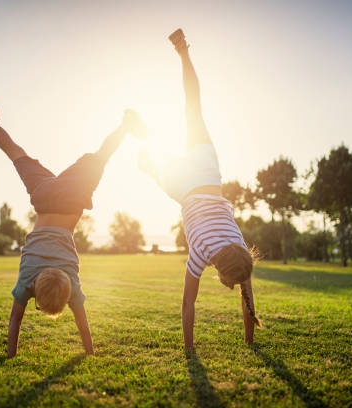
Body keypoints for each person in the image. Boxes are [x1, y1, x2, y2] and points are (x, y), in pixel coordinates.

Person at [0, 95, 146, 358]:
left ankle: (125, 125)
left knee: (102, 156)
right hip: (43, 196)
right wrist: (10, 354)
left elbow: (82, 325)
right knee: (15, 153)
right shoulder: (26, 281)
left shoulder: (71, 284)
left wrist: (90, 352)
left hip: (71, 197)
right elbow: (15, 321)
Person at [139, 29, 261, 350]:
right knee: (153, 170)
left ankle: (183, 51)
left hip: (207, 173)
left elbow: (246, 300)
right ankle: (145, 158)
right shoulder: (201, 253)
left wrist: (248, 339)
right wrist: (190, 350)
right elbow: (187, 304)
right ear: (220, 270)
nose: (234, 288)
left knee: (193, 106)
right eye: (234, 284)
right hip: (185, 191)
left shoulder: (239, 246)